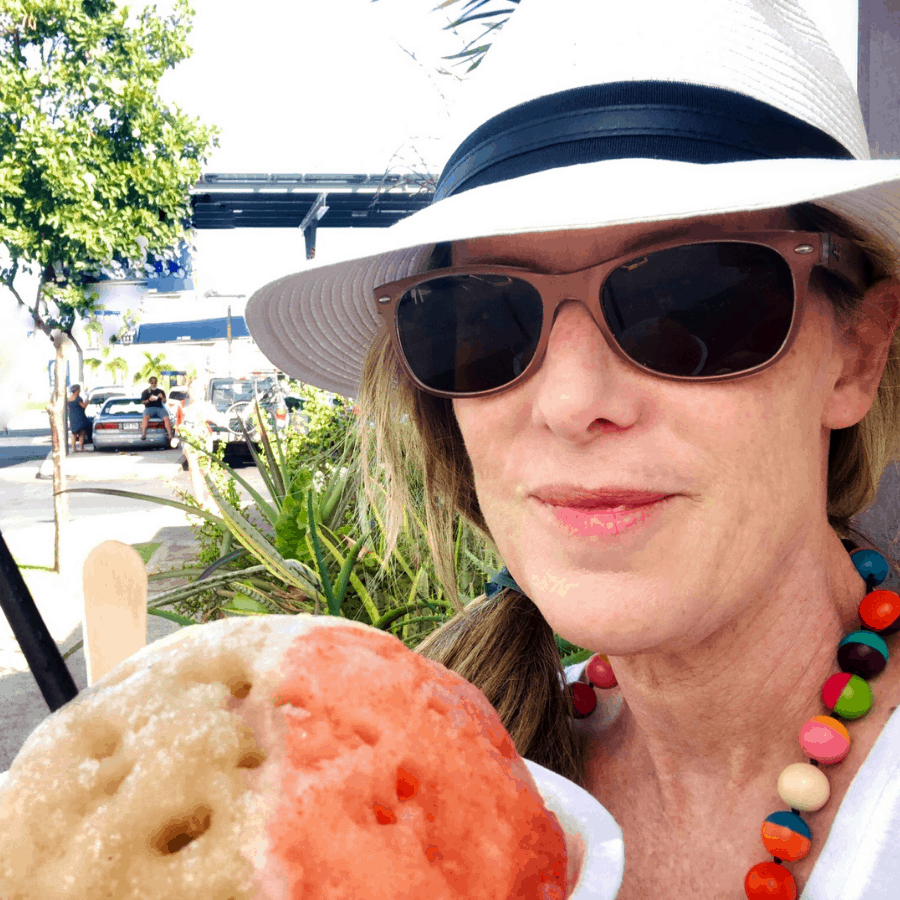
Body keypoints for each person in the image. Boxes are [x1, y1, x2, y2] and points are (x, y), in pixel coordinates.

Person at [246, 1, 900, 896]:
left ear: (856, 354)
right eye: (483, 317)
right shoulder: (457, 794)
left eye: (690, 300)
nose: (570, 403)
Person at [139, 375, 173, 442]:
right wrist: (149, 400)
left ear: (157, 383)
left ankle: (170, 435)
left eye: (155, 383)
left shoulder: (160, 391)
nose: (153, 384)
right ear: (150, 383)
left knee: (166, 418)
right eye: (152, 383)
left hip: (159, 408)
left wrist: (162, 397)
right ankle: (143, 434)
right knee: (145, 417)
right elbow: (142, 402)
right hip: (149, 408)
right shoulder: (145, 392)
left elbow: (165, 401)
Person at [67, 384, 89, 452]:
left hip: (72, 417)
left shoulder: (69, 399)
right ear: (77, 390)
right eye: (79, 389)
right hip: (79, 417)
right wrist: (87, 402)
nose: (80, 390)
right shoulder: (78, 398)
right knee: (82, 432)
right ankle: (81, 447)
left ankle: (73, 448)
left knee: (74, 433)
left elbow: (68, 408)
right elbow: (83, 406)